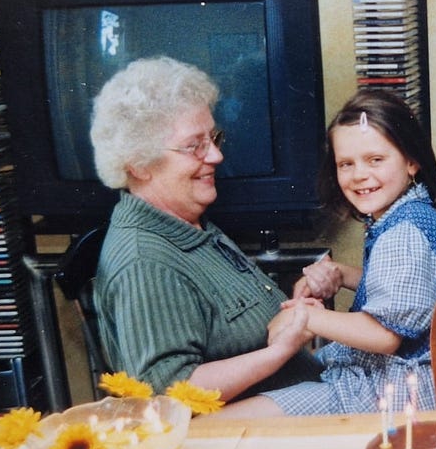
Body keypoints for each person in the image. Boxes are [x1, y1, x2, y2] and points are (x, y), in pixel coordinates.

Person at [218, 89, 436, 417]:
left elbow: (385, 335)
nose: (359, 174)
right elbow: (405, 293)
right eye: (346, 164)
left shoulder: (403, 233)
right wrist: (343, 274)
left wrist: (308, 317)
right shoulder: (409, 213)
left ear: (411, 161)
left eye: (376, 159)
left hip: (406, 393)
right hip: (419, 379)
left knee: (231, 420)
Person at [91, 56, 322, 402]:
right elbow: (167, 391)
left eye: (213, 138)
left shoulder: (185, 220)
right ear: (139, 165)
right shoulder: (146, 263)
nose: (215, 156)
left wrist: (292, 311)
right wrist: (278, 353)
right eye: (194, 145)